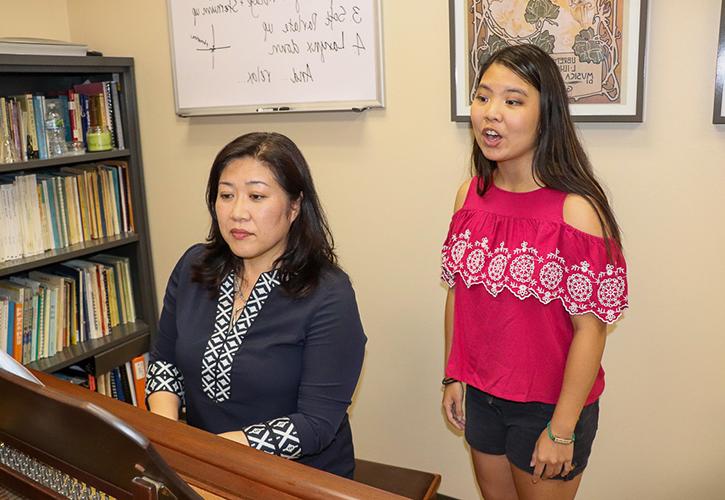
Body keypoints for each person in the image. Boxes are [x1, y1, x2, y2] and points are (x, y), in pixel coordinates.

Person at [440, 44, 628, 500]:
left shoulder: (578, 211)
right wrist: (453, 374)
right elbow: (458, 294)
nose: (491, 114)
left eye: (513, 100)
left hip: (549, 407)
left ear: (547, 115)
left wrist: (562, 429)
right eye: (483, 97)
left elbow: (592, 331)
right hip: (481, 395)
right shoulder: (469, 195)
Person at [146, 132, 366, 478]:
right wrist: (166, 438)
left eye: (256, 196)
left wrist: (212, 450)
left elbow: (316, 424)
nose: (237, 213)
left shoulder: (329, 294)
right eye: (226, 195)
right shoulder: (193, 266)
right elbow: (165, 363)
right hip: (202, 463)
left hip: (296, 477)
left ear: (294, 206)